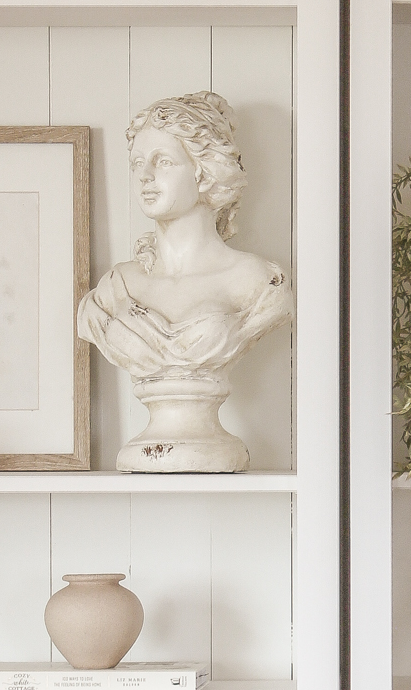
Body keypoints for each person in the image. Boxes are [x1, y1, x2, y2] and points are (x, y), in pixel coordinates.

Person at [77, 90, 291, 471]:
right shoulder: (114, 289)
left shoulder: (259, 281)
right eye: (138, 163)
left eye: (163, 162)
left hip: (215, 446)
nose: (144, 176)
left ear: (204, 170)